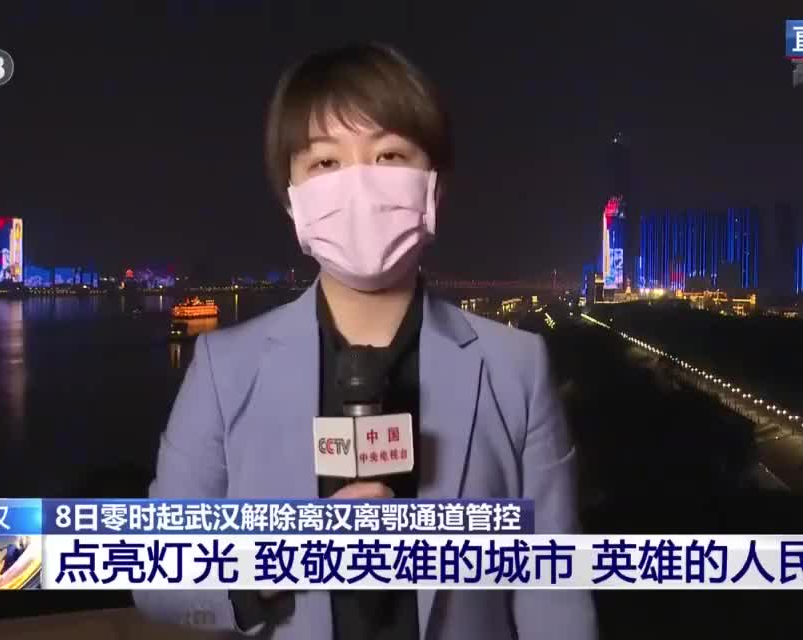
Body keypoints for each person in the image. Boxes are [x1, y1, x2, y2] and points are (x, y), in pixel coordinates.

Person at [135, 43, 597, 640]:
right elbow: (159, 582)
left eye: (389, 155)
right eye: (325, 162)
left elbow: (555, 597)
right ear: (291, 198)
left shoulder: (516, 368)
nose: (359, 187)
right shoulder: (225, 370)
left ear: (435, 185)